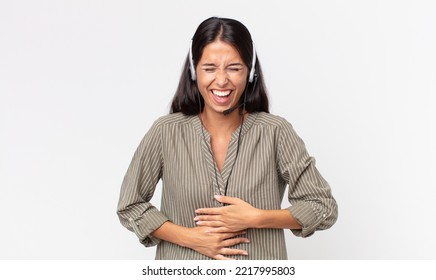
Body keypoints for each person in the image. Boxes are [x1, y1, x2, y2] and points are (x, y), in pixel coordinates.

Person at [117, 17, 338, 260]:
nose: (221, 80)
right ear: (194, 71)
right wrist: (192, 238)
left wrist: (258, 218)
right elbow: (130, 205)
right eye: (209, 68)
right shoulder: (165, 131)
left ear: (250, 73)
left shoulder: (276, 132)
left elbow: (323, 206)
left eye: (233, 68)